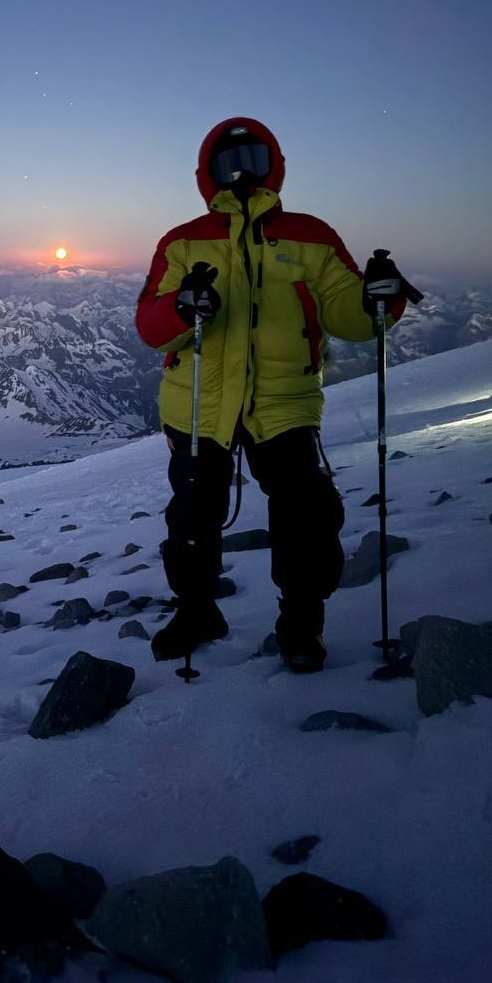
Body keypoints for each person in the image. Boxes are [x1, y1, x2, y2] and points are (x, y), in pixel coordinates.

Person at [135, 116, 416, 672]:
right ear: (206, 174)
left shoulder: (311, 235)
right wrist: (182, 308)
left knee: (305, 512)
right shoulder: (181, 241)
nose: (241, 173)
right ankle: (196, 610)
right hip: (199, 405)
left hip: (283, 402)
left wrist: (377, 299)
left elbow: (346, 313)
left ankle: (301, 622)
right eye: (228, 163)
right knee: (192, 515)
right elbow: (151, 325)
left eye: (255, 161)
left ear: (275, 166)